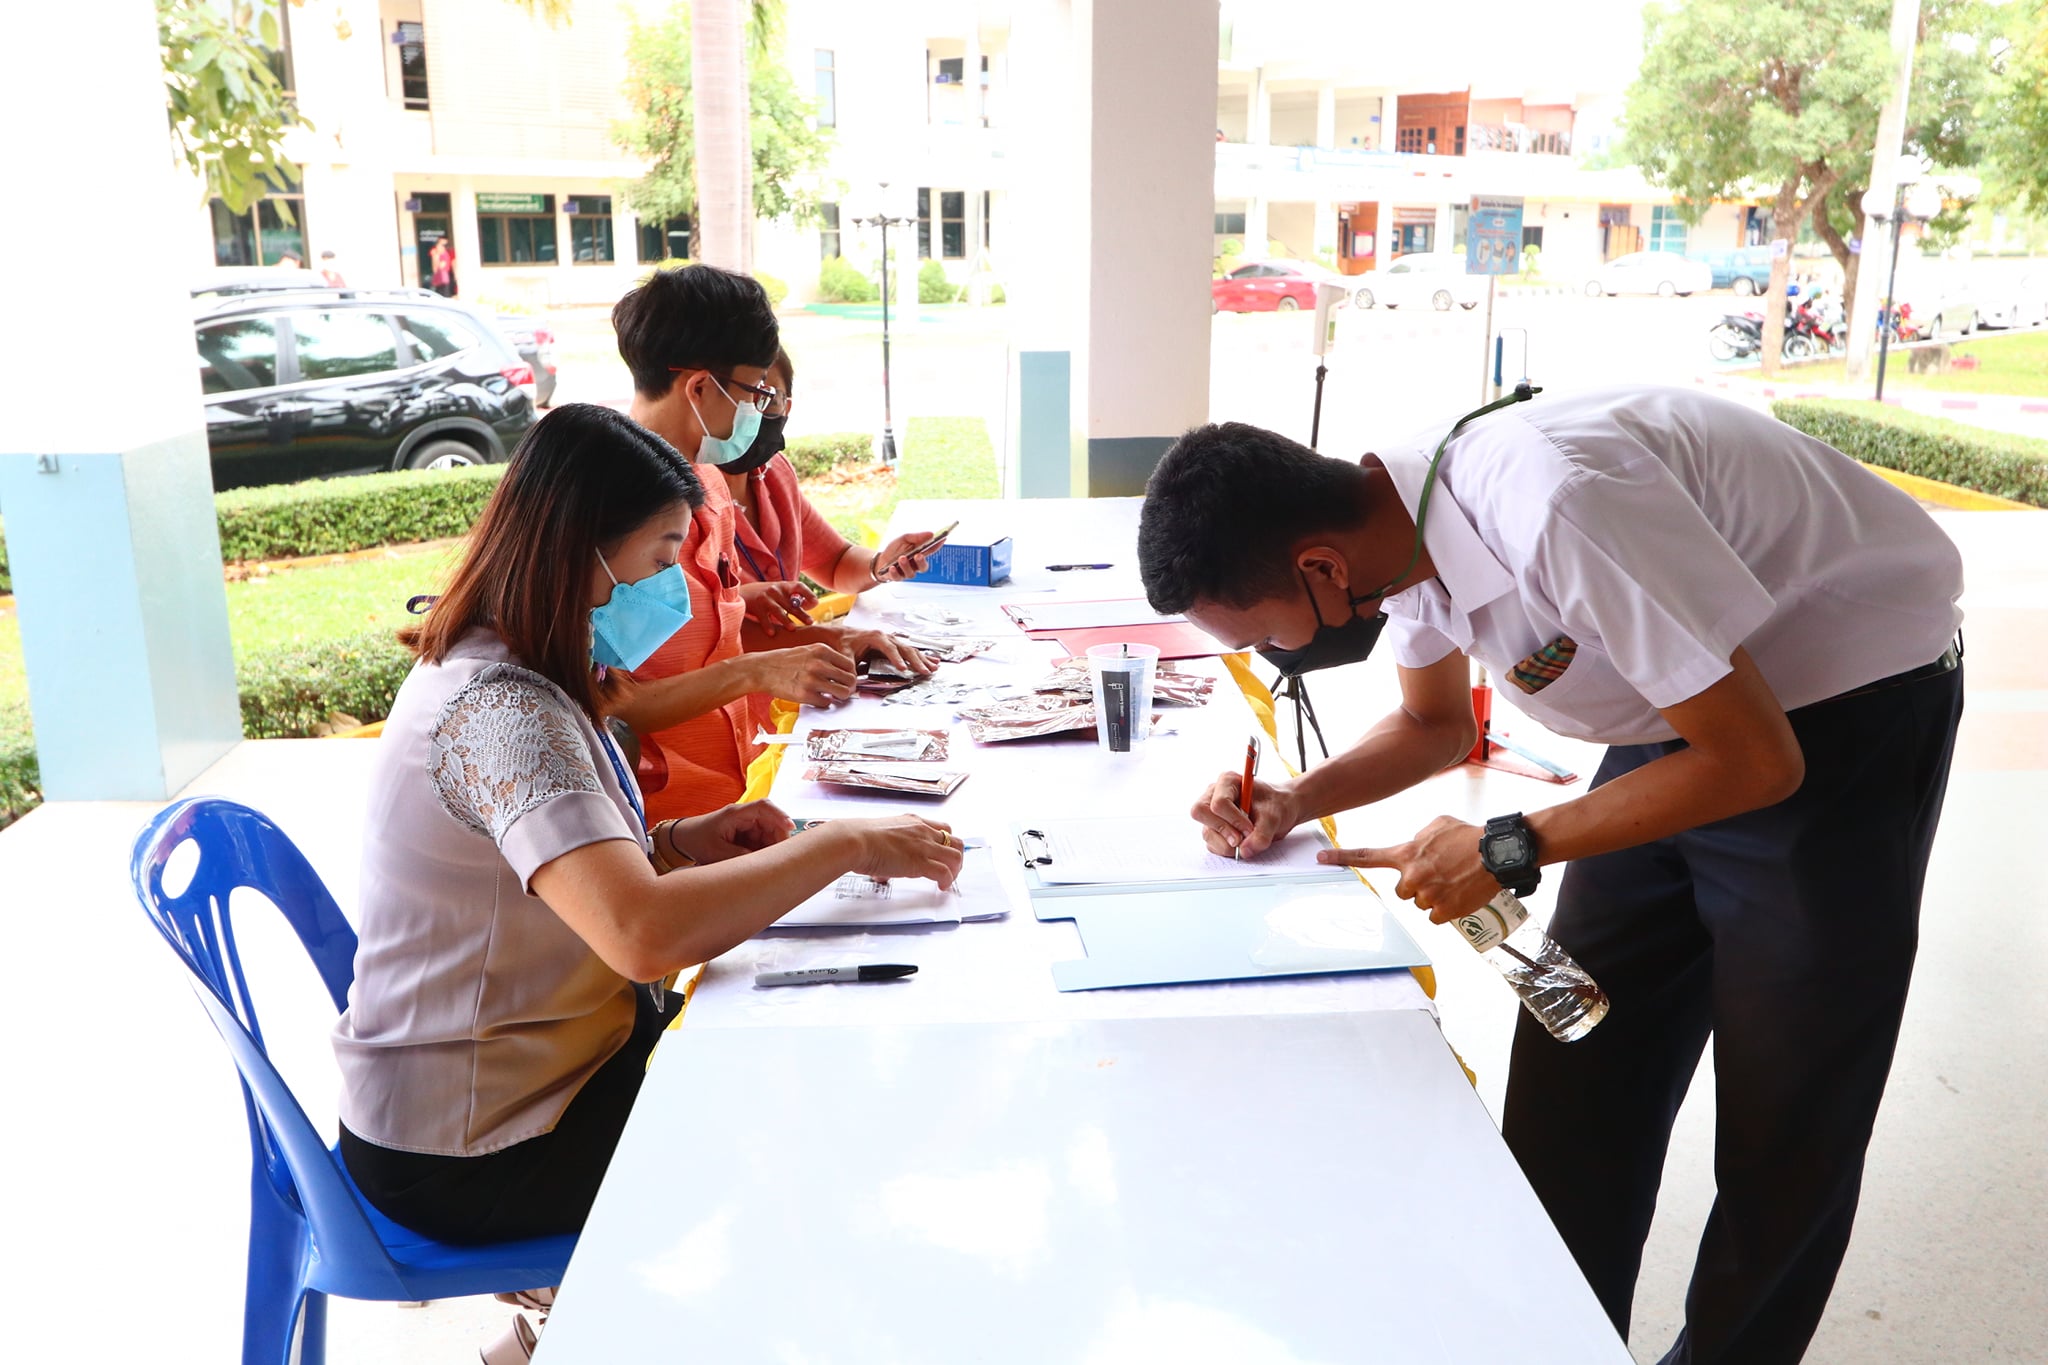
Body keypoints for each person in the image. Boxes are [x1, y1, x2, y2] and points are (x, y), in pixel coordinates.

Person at [1136, 385, 1964, 1365]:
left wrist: (1506, 846)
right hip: (1680, 719)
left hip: (1841, 717)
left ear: (1319, 565)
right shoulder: (1393, 525)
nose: (1279, 654)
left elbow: (1755, 762)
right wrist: (1293, 797)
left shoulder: (1555, 505)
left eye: (1265, 637)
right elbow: (1433, 724)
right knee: (1575, 1051)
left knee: (1784, 1124)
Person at [334, 402, 961, 1257]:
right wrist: (845, 843)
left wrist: (677, 842)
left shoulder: (516, 666)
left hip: (545, 1071)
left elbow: (556, 875)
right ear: (578, 550)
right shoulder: (501, 712)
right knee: (811, 1135)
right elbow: (642, 935)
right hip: (478, 1142)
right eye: (663, 559)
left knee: (801, 1066)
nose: (672, 588)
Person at [607, 265, 919, 824]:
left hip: (726, 807)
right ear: (700, 388)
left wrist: (822, 640)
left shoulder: (707, 483)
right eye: (755, 393)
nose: (759, 412)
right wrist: (759, 671)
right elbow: (609, 702)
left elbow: (711, 632)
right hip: (651, 825)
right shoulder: (608, 505)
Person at [717, 344, 944, 730]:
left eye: (768, 397)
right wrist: (838, 639)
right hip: (729, 710)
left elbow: (835, 562)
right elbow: (708, 631)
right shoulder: (686, 497)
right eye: (746, 395)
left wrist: (880, 565)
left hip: (796, 696)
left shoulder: (773, 473)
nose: (754, 410)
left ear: (787, 405)